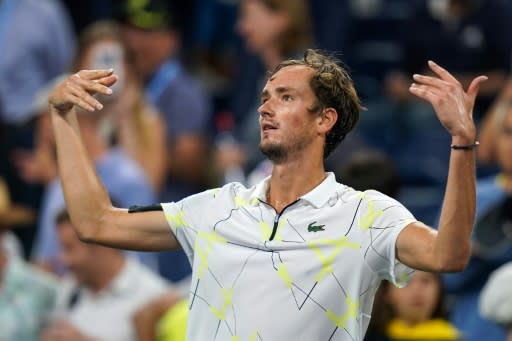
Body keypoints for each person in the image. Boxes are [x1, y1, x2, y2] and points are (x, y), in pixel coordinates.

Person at [47, 49, 485, 340]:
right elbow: (94, 222)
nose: (264, 107)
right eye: (264, 97)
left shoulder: (366, 215)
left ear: (324, 120)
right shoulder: (215, 208)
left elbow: (449, 255)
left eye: (285, 97)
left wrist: (462, 143)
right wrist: (62, 117)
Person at [442, 98, 512, 341]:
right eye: (508, 133)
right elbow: (441, 275)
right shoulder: (468, 194)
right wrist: (474, 252)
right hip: (474, 325)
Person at [41, 210, 169, 341]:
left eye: (69, 248)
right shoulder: (70, 286)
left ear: (102, 242)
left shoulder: (154, 297)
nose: (64, 259)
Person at [365, 271, 460, 341]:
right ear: (387, 293)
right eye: (405, 281)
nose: (417, 289)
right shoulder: (367, 336)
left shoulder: (451, 336)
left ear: (439, 290)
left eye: (425, 281)